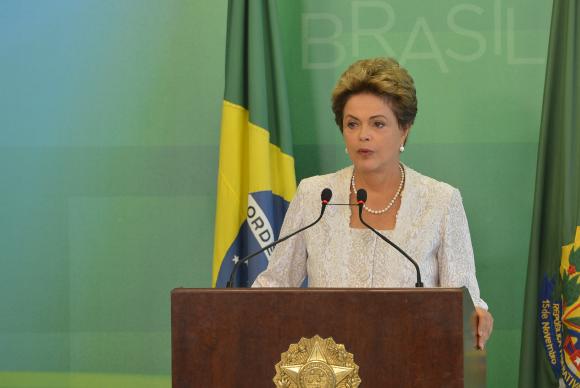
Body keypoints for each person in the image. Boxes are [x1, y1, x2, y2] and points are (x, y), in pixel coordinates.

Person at [252, 57, 493, 349]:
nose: (363, 135)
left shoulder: (441, 201)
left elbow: (464, 300)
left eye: (378, 124)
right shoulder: (315, 195)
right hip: (327, 372)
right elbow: (273, 288)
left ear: (404, 129)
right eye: (352, 124)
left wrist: (479, 315)